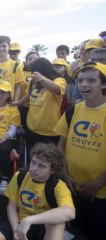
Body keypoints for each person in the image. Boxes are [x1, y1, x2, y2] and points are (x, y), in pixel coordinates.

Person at [54, 62, 106, 239]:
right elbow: (61, 144)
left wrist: (98, 183)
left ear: (104, 84)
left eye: (91, 80)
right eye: (80, 80)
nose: (84, 84)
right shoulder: (72, 110)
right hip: (73, 187)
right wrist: (65, 174)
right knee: (73, 231)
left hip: (100, 194)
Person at [0, 143, 75, 240]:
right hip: (20, 221)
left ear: (52, 170)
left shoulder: (58, 186)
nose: (34, 168)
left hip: (43, 226)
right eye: (33, 162)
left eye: (41, 166)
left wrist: (29, 220)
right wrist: (16, 230)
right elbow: (11, 206)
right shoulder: (19, 177)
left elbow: (69, 212)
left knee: (58, 224)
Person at [16, 58, 66, 153]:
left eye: (33, 71)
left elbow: (57, 89)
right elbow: (29, 95)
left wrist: (42, 78)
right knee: (33, 155)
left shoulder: (59, 80)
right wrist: (17, 103)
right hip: (32, 127)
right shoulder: (35, 82)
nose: (31, 74)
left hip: (49, 131)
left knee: (47, 159)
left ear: (42, 70)